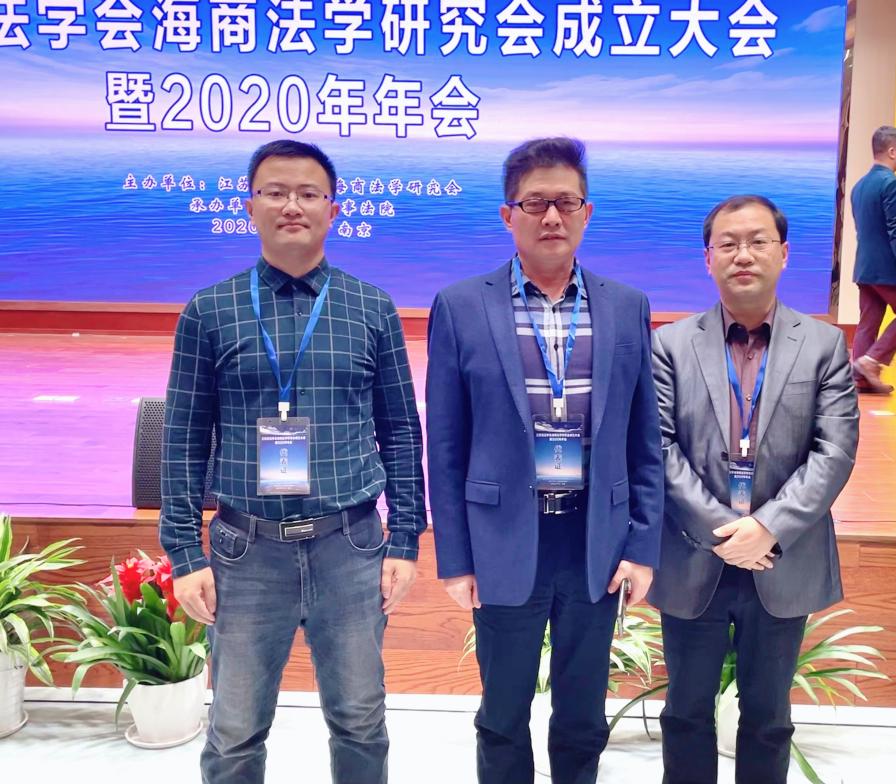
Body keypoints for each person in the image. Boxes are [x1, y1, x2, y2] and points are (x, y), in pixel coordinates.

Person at [160, 139, 426, 784]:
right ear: (249, 206)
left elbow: (400, 430)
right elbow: (184, 438)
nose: (291, 205)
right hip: (245, 551)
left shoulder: (371, 307)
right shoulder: (210, 309)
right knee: (234, 731)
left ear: (333, 209)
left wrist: (405, 539)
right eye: (275, 192)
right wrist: (185, 553)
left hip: (351, 545)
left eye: (309, 193)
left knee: (360, 722)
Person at [425, 136, 663, 784]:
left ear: (587, 212)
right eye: (535, 203)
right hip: (502, 539)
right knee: (502, 714)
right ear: (509, 215)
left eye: (566, 202)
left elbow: (645, 442)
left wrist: (642, 547)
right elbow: (445, 445)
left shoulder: (626, 307)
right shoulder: (461, 306)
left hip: (593, 540)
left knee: (583, 715)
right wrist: (455, 557)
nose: (552, 217)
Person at [650, 195, 859, 784]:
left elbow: (835, 450)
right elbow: (657, 447)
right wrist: (725, 532)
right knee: (685, 714)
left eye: (758, 241)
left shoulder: (823, 345)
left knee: (769, 719)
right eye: (728, 243)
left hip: (782, 557)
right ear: (708, 258)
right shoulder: (670, 345)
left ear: (784, 253)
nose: (743, 254)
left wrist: (767, 527)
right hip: (695, 554)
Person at [850, 125, 896, 394]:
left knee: (868, 322)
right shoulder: (891, 183)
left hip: (864, 267)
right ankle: (871, 361)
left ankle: (859, 379)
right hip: (887, 268)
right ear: (892, 151)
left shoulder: (859, 186)